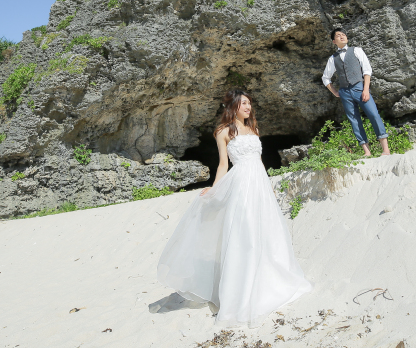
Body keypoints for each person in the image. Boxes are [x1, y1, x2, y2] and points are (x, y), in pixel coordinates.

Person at [157, 89, 312, 328]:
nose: (248, 107)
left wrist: (268, 185)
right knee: (245, 231)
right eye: (244, 104)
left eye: (250, 103)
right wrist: (214, 188)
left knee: (266, 230)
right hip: (241, 184)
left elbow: (259, 162)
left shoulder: (254, 129)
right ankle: (241, 288)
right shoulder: (223, 131)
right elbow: (222, 165)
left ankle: (268, 277)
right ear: (234, 107)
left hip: (259, 183)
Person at [322, 28, 390, 156]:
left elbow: (367, 70)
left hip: (359, 87)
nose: (342, 36)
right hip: (344, 92)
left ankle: (385, 150)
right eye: (338, 35)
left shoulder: (357, 50)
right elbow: (325, 78)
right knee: (354, 120)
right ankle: (366, 152)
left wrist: (366, 89)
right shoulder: (332, 58)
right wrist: (335, 92)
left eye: (343, 34)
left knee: (374, 115)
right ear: (333, 41)